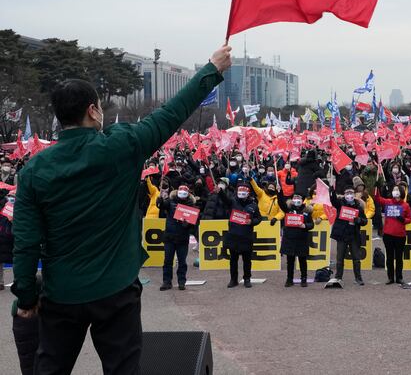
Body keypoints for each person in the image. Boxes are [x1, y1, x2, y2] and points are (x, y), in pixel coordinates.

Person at [10, 44, 229, 374]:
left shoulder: (33, 171)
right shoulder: (122, 146)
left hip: (62, 293)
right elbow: (172, 113)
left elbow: (25, 243)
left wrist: (27, 299)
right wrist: (211, 69)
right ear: (94, 110)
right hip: (116, 291)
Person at [157, 185, 197, 291]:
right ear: (177, 191)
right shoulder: (170, 201)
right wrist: (160, 200)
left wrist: (187, 225)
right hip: (170, 237)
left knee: (182, 261)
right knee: (168, 261)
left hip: (182, 238)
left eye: (185, 191)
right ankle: (166, 282)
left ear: (188, 193)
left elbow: (194, 223)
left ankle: (181, 281)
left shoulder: (192, 205)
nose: (182, 192)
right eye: (181, 190)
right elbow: (161, 206)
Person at [224, 182, 263, 288]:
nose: (242, 192)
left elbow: (259, 218)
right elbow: (224, 199)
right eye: (240, 190)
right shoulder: (232, 201)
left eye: (244, 190)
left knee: (247, 260)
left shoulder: (253, 205)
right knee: (233, 260)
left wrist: (252, 221)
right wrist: (220, 192)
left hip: (246, 236)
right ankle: (233, 279)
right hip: (233, 235)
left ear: (248, 192)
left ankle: (247, 278)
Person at [373, 183, 411, 284]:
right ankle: (390, 277)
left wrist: (403, 219)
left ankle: (399, 277)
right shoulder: (388, 202)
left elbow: (409, 219)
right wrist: (377, 188)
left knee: (399, 258)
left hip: (400, 235)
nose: (395, 191)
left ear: (401, 192)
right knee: (390, 257)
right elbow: (377, 198)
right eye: (394, 189)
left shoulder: (405, 205)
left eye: (397, 190)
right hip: (388, 234)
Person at [330, 184, 368, 286]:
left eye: (351, 193)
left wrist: (358, 220)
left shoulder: (359, 207)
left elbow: (365, 221)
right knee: (340, 258)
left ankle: (358, 278)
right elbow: (333, 201)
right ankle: (338, 277)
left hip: (354, 235)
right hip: (342, 234)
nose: (349, 195)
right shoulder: (340, 204)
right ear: (344, 195)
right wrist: (332, 191)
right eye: (347, 193)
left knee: (356, 258)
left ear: (354, 194)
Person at [275, 194, 314, 287]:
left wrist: (305, 226)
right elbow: (280, 203)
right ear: (292, 200)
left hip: (302, 239)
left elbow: (311, 224)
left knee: (302, 261)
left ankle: (303, 279)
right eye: (295, 198)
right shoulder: (288, 209)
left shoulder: (307, 211)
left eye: (299, 198)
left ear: (302, 200)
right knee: (290, 261)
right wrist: (279, 191)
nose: (297, 200)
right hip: (289, 239)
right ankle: (289, 279)